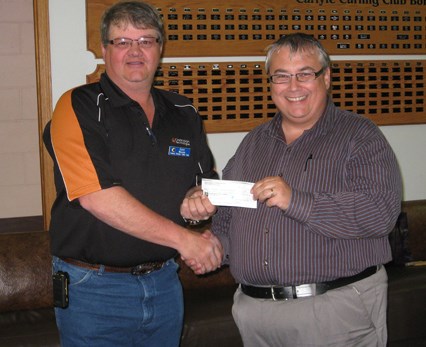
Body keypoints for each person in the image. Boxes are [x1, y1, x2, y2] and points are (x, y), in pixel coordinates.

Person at [43, 1, 222, 346]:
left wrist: (197, 204)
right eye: (122, 41)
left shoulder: (184, 112)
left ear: (160, 48)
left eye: (146, 40)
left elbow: (203, 186)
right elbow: (98, 197)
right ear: (104, 49)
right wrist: (186, 241)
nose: (135, 51)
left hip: (165, 284)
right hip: (94, 291)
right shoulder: (78, 106)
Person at [209, 33, 403, 346]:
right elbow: (229, 218)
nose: (293, 87)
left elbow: (378, 213)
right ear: (271, 83)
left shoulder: (361, 136)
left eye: (305, 74)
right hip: (255, 314)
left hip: (333, 311)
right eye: (282, 76)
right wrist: (213, 244)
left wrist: (296, 201)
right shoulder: (252, 143)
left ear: (326, 77)